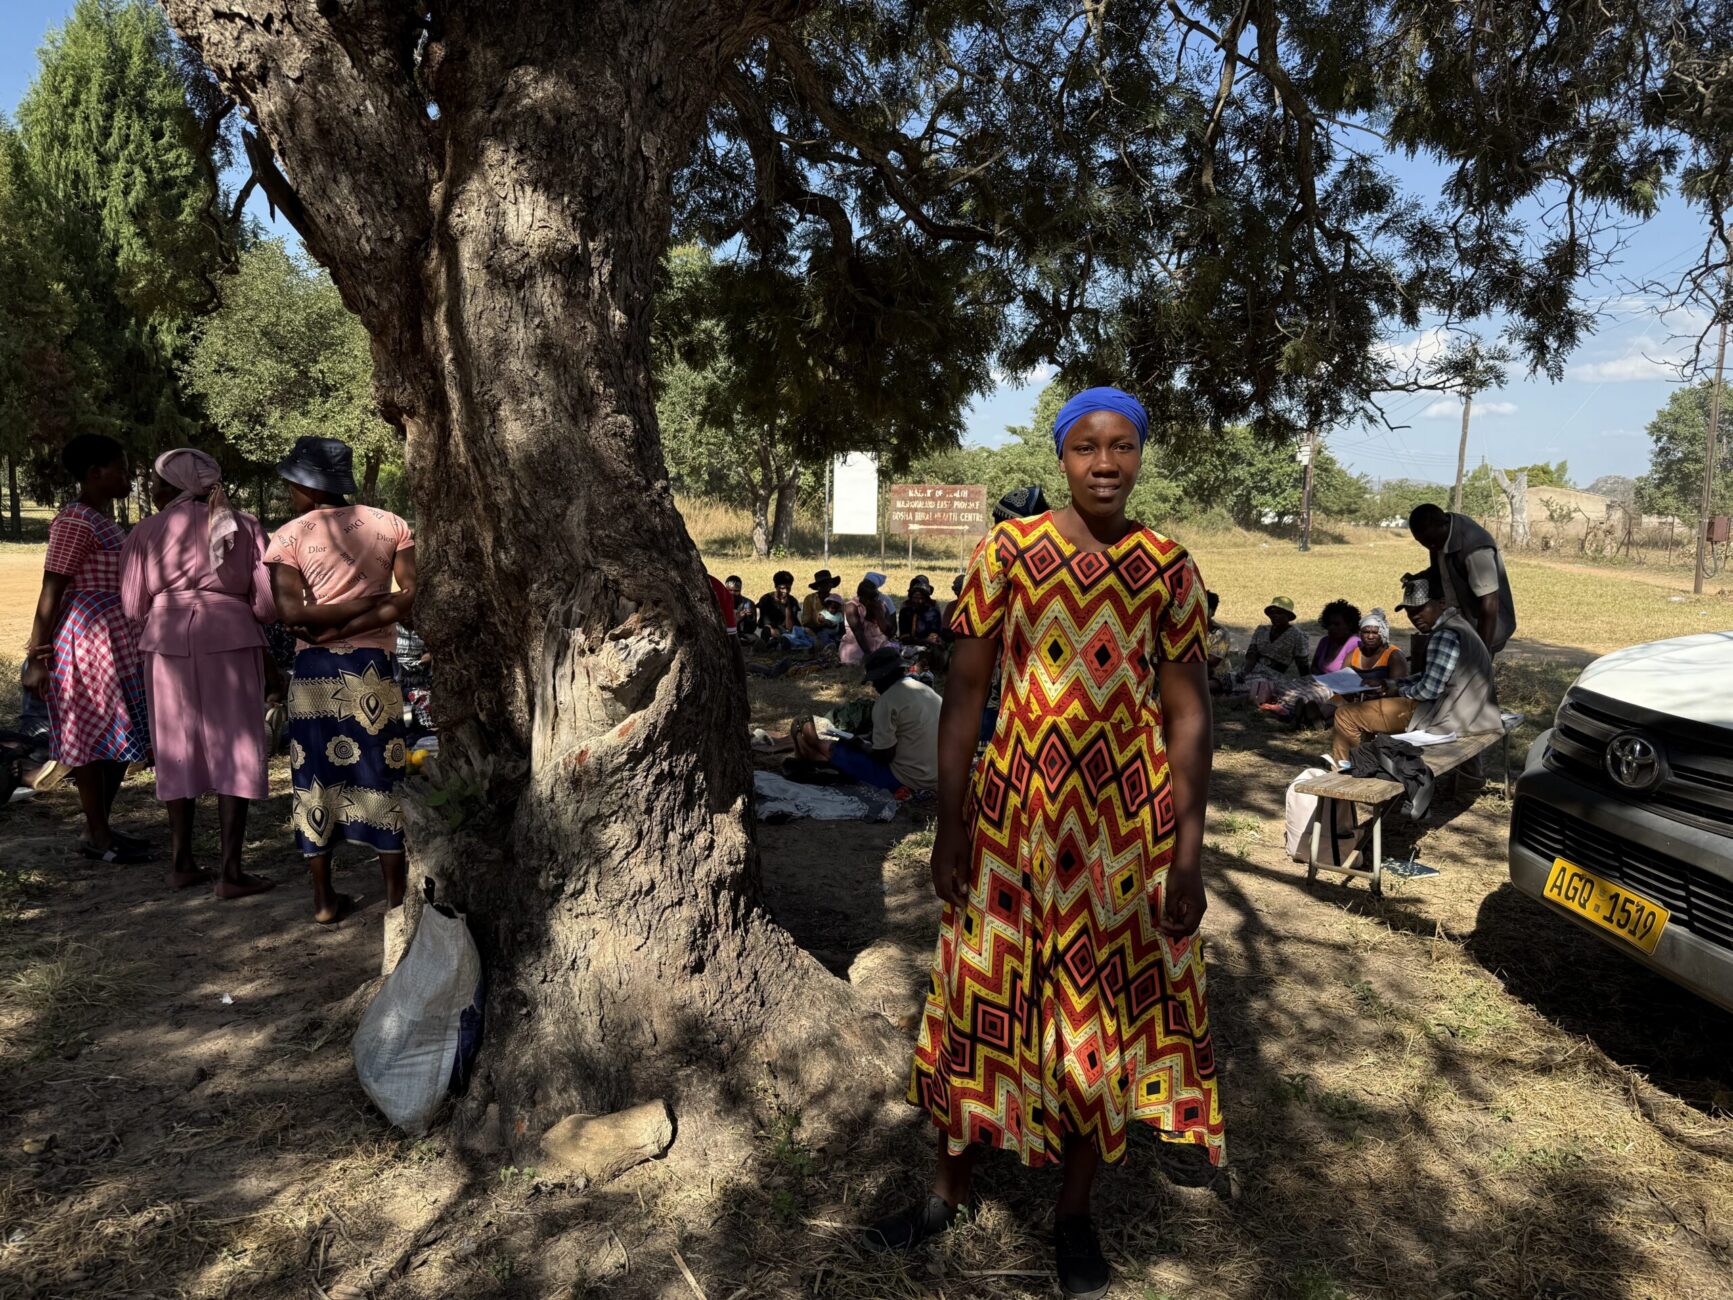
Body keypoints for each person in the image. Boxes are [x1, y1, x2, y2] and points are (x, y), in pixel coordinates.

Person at [871, 387, 1221, 1298]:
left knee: (1095, 1017)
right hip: (1010, 824)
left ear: (1139, 456)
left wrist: (1185, 852)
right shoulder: (1008, 554)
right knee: (976, 999)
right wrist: (950, 825)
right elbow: (963, 699)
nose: (1105, 463)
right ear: (1060, 457)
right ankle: (945, 1192)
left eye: (1121, 447)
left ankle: (1073, 1215)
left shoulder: (1167, 567)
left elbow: (1187, 714)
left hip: (1122, 834)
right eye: (1085, 447)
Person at [265, 436, 416, 924]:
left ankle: (324, 900)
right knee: (382, 773)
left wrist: (325, 623)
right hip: (371, 671)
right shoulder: (391, 525)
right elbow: (411, 594)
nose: (290, 493)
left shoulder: (288, 536)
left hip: (313, 671)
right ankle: (395, 899)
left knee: (313, 778)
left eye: (292, 484)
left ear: (308, 486)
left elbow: (289, 612)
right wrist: (368, 610)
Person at [120, 449, 278, 896]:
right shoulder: (244, 526)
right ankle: (231, 871)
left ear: (174, 486)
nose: (151, 491)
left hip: (167, 643)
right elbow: (266, 607)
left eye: (155, 483)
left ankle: (181, 862)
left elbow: (133, 606)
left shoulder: (145, 531)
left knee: (175, 745)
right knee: (237, 746)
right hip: (231, 639)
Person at [22, 434, 153, 863]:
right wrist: (37, 657)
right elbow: (52, 588)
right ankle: (97, 834)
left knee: (116, 736)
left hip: (113, 638)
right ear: (95, 473)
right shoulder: (76, 520)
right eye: (121, 466)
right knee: (96, 741)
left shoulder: (100, 519)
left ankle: (100, 828)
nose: (128, 475)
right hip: (87, 639)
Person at [1328, 570, 1501, 764]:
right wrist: (1391, 684)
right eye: (1410, 612)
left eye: (1420, 608)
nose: (1415, 616)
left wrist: (1397, 690)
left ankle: (1345, 774)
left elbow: (1428, 691)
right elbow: (1432, 677)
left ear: (1441, 603)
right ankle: (1366, 763)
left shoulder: (1445, 635)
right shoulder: (1461, 626)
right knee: (1366, 712)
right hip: (1478, 714)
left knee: (1346, 715)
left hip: (1447, 717)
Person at [790, 646, 941, 792]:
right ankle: (815, 757)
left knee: (829, 745)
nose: (874, 686)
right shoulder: (927, 691)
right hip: (936, 776)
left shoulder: (886, 702)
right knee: (828, 750)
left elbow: (883, 756)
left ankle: (814, 750)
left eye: (875, 680)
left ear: (884, 676)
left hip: (906, 780)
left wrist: (861, 745)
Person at [1407, 503, 1516, 655]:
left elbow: (1490, 602)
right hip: (1460, 625)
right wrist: (1420, 577)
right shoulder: (1438, 537)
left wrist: (1481, 652)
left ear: (1443, 524)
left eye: (1431, 541)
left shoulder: (1475, 549)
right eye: (1423, 543)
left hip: (1483, 628)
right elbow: (1442, 571)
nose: (1430, 547)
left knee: (1472, 676)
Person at [1260, 600, 1360, 724]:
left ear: (1349, 625)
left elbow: (1350, 678)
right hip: (1317, 680)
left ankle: (1290, 712)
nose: (1331, 628)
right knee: (1282, 688)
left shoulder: (1354, 644)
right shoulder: (1325, 641)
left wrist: (1324, 680)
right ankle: (1288, 709)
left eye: (1336, 624)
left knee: (1306, 697)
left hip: (1336, 688)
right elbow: (1314, 668)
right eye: (1329, 624)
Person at [1239, 595, 1308, 682]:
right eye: (1272, 612)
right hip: (1250, 672)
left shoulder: (1297, 636)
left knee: (1253, 687)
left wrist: (1307, 684)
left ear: (1288, 615)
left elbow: (1302, 665)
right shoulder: (1261, 630)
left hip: (1272, 678)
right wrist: (1244, 673)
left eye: (1279, 612)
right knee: (1222, 680)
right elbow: (1251, 655)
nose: (1274, 615)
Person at [1345, 608, 1408, 690]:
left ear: (1383, 634)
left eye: (1375, 633)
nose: (1370, 637)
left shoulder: (1394, 655)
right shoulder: (1353, 654)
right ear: (1360, 634)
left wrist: (1381, 683)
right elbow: (1342, 679)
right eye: (1366, 632)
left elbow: (1397, 686)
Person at [842, 577, 898, 667]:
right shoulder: (852, 607)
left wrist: (879, 616)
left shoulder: (880, 605)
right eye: (870, 598)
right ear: (862, 597)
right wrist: (869, 654)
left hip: (879, 643)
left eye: (875, 597)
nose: (873, 601)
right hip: (858, 646)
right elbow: (858, 633)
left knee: (896, 652)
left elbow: (889, 632)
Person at [898, 576, 945, 644]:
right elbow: (904, 636)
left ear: (926, 599)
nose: (918, 601)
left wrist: (929, 640)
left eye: (921, 598)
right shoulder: (905, 611)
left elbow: (934, 635)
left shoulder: (933, 611)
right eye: (915, 597)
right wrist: (923, 641)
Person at [757, 570, 803, 637]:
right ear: (776, 587)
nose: (786, 591)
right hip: (772, 630)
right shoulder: (766, 599)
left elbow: (790, 627)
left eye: (788, 588)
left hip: (789, 632)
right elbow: (765, 624)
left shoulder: (792, 601)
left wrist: (787, 605)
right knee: (767, 631)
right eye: (782, 588)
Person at [1205, 591, 1233, 694]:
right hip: (1194, 672)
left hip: (1218, 676)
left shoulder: (1220, 633)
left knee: (1198, 688)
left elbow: (1212, 662)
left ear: (1212, 612)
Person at [724, 575, 759, 641]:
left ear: (740, 590)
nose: (732, 593)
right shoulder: (720, 603)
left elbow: (752, 629)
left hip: (743, 634)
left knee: (756, 640)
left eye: (736, 591)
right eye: (730, 590)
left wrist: (750, 617)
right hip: (725, 634)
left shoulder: (748, 603)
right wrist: (737, 618)